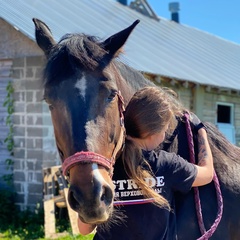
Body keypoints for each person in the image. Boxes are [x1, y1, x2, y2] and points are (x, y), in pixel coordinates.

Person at [78, 86, 214, 240]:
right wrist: (201, 130)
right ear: (154, 133)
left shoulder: (107, 167)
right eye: (165, 129)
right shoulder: (168, 165)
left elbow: (84, 229)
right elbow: (207, 173)